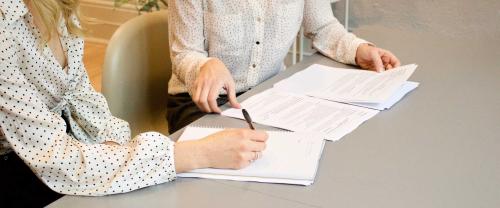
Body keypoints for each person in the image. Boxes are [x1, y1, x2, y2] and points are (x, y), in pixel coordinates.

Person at [0, 0, 268, 207]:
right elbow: (58, 160)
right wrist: (197, 154)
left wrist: (115, 145)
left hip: (59, 149)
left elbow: (82, 97)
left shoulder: (59, 8)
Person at [166, 0, 401, 133]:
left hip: (268, 95)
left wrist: (358, 50)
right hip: (202, 103)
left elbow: (322, 27)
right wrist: (205, 66)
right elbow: (184, 53)